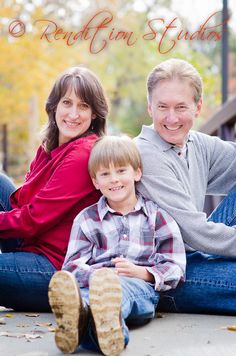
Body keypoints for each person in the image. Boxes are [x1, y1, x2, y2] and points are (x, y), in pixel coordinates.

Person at [48, 135, 186, 355]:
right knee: (84, 300)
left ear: (137, 172)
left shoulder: (157, 217)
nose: (113, 179)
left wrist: (143, 273)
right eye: (105, 174)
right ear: (95, 181)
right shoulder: (86, 220)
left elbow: (175, 266)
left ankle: (85, 324)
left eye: (121, 171)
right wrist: (99, 276)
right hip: (92, 288)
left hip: (139, 288)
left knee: (120, 295)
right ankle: (85, 324)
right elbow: (72, 266)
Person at [0, 66, 108, 311]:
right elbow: (23, 203)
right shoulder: (49, 146)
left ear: (94, 115)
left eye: (83, 106)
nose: (73, 114)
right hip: (31, 242)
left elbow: (33, 218)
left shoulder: (83, 154)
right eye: (67, 102)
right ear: (54, 107)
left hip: (55, 267)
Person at [135, 58, 236, 315]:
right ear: (150, 107)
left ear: (197, 106)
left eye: (181, 107)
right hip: (166, 272)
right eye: (162, 107)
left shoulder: (197, 144)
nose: (171, 118)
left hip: (197, 254)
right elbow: (196, 233)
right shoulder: (145, 154)